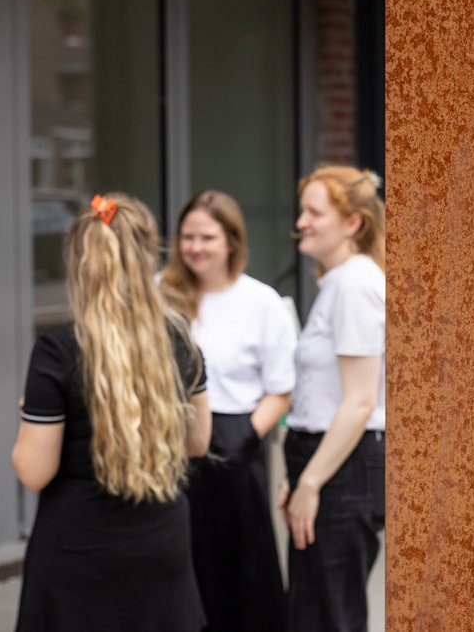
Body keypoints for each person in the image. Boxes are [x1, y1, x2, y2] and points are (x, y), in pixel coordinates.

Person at [12, 193, 212, 632]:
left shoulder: (57, 350)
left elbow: (33, 471)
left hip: (78, 548)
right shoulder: (180, 341)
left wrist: (31, 418)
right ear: (147, 258)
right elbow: (197, 443)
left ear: (79, 262)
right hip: (160, 543)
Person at [160, 190, 295, 632]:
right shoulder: (160, 292)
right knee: (179, 561)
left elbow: (282, 389)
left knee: (242, 567)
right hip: (170, 443)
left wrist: (245, 437)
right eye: (188, 236)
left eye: (207, 237)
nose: (195, 247)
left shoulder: (262, 302)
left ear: (232, 241)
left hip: (237, 445)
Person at [279, 165, 385, 632]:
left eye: (314, 212)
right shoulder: (338, 283)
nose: (300, 221)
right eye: (302, 210)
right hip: (326, 460)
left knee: (331, 614)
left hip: (345, 466)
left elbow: (360, 401)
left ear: (353, 224)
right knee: (315, 609)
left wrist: (310, 483)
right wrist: (300, 476)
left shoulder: (356, 285)